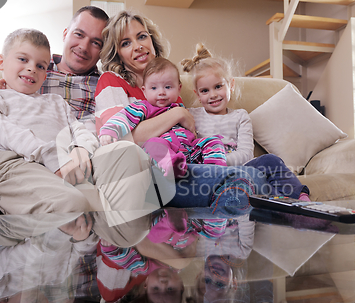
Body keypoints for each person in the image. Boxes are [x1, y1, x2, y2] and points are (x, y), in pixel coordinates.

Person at [0, 6, 160, 221]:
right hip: (13, 153)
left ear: (103, 49)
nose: (84, 46)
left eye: (96, 42)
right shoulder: (33, 69)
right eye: (79, 34)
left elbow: (100, 128)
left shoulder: (105, 83)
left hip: (73, 157)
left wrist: (80, 149)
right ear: (66, 33)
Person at [95, 10, 259, 211]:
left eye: (141, 36)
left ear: (152, 41)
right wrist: (177, 113)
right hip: (141, 173)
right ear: (117, 53)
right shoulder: (111, 81)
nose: (137, 46)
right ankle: (223, 187)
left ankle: (223, 182)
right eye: (125, 43)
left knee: (222, 150)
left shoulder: (168, 84)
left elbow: (187, 135)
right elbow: (122, 140)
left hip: (183, 163)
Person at [0, 28, 101, 215]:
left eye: (40, 66)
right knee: (70, 207)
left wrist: (81, 148)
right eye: (23, 59)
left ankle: (84, 243)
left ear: (45, 74)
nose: (32, 68)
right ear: (1, 62)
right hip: (17, 162)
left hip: (63, 163)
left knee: (95, 209)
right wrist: (50, 156)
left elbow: (78, 128)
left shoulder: (56, 102)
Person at [181, 43, 311, 201]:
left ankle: (300, 198)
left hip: (239, 170)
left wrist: (217, 161)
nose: (213, 95)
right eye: (205, 91)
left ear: (231, 85)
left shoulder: (240, 116)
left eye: (218, 86)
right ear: (197, 94)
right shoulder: (190, 115)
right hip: (206, 173)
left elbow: (246, 154)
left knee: (271, 160)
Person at [99, 57, 227, 178]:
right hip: (165, 152)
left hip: (189, 150)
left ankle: (215, 172)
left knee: (212, 141)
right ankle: (171, 166)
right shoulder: (143, 107)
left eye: (167, 87)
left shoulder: (182, 109)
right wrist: (109, 131)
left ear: (179, 88)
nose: (161, 92)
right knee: (153, 144)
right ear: (144, 90)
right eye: (154, 88)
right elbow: (124, 117)